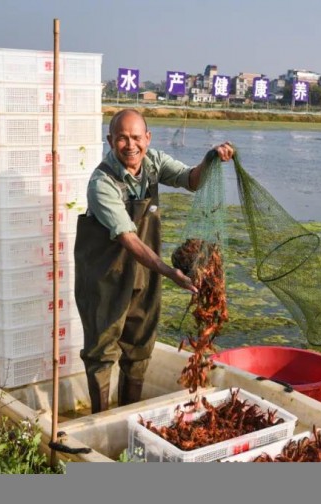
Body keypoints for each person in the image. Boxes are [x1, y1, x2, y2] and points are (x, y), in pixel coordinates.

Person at [74, 108, 234, 414]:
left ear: (148, 138)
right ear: (110, 140)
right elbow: (129, 238)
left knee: (140, 346)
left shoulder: (154, 163)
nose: (130, 145)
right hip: (104, 278)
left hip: (145, 275)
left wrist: (210, 159)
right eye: (122, 138)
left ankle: (127, 415)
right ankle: (100, 417)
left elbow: (192, 180)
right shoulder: (101, 183)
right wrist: (168, 271)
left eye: (136, 137)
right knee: (102, 350)